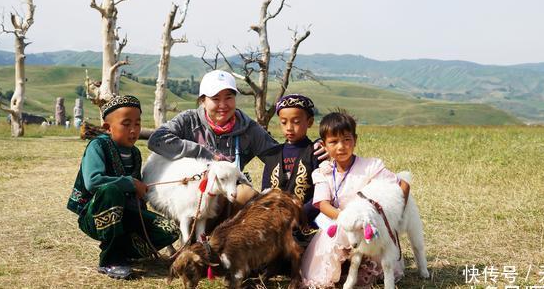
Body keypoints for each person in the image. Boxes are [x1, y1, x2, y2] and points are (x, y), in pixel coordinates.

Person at [67, 95, 179, 280]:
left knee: (169, 229)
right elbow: (93, 182)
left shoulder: (134, 153)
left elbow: (135, 193)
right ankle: (110, 260)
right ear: (108, 127)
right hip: (95, 214)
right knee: (111, 191)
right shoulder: (98, 145)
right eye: (126, 124)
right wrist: (130, 183)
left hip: (125, 214)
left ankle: (125, 252)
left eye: (137, 123)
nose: (134, 130)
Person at [300, 110, 410, 288]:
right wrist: (344, 218)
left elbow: (403, 185)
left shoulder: (370, 166)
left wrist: (394, 215)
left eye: (346, 139)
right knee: (332, 245)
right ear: (324, 145)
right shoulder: (323, 172)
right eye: (333, 142)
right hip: (339, 221)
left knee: (369, 252)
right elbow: (322, 203)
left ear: (355, 140)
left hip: (367, 225)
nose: (341, 147)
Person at [148, 70, 278, 207]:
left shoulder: (248, 129)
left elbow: (276, 156)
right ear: (203, 101)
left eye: (228, 97)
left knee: (246, 194)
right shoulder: (189, 121)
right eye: (215, 99)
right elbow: (157, 139)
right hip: (189, 196)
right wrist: (200, 152)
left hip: (229, 194)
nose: (223, 105)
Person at [259, 94, 321, 233]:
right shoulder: (272, 155)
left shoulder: (316, 153)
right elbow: (265, 192)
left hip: (307, 223)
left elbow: (320, 194)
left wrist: (298, 216)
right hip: (275, 225)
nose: (289, 127)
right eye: (283, 122)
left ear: (309, 122)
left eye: (296, 121)